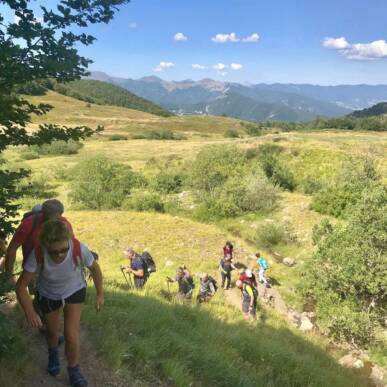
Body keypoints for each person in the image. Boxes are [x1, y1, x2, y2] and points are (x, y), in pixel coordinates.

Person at [15, 220, 103, 387]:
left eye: (64, 250)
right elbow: (21, 286)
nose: (59, 255)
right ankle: (53, 353)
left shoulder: (78, 248)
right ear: (45, 244)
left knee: (71, 334)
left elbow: (95, 269)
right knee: (52, 333)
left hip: (74, 290)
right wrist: (29, 311)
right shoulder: (38, 252)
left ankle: (74, 370)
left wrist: (100, 294)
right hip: (48, 293)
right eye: (54, 252)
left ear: (69, 241)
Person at [5, 199, 73, 278]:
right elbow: (12, 249)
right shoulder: (28, 224)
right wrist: (9, 275)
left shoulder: (64, 224)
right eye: (47, 216)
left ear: (60, 214)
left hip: (58, 269)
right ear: (43, 212)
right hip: (33, 270)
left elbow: (72, 245)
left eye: (57, 217)